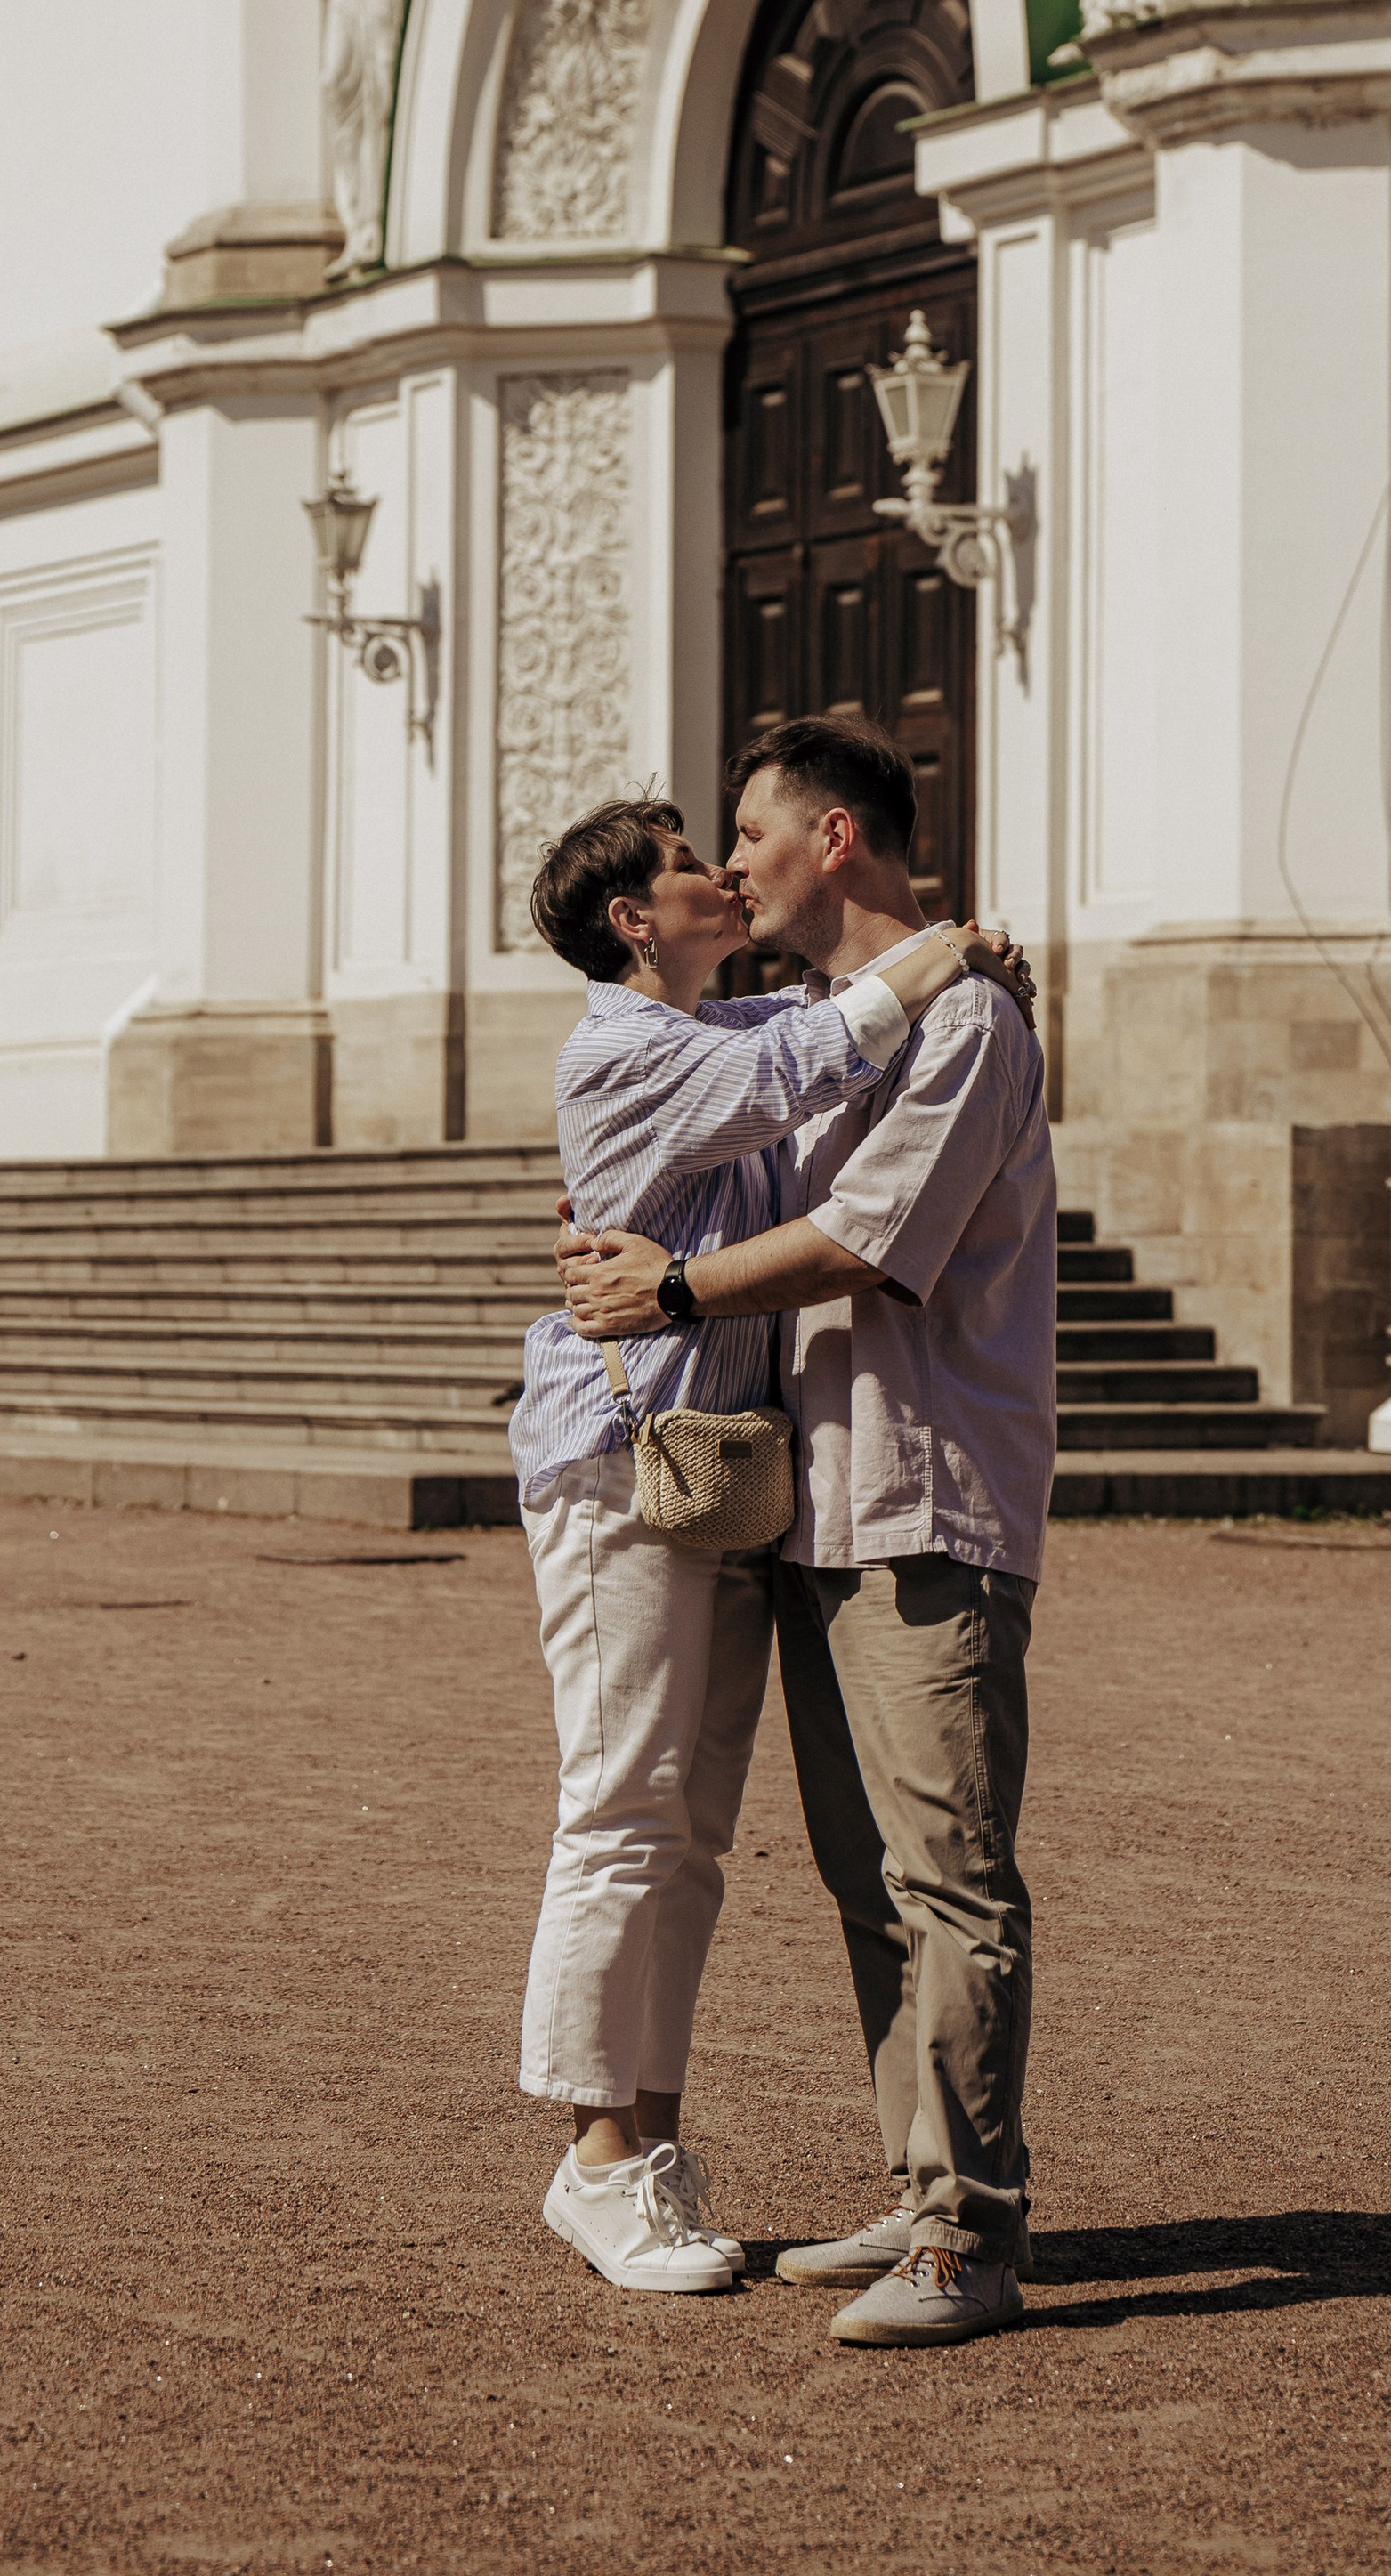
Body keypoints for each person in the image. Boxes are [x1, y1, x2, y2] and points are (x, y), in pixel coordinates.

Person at [562, 716, 1056, 2348]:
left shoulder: (966, 1020)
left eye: (752, 837)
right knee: (868, 1879)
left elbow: (868, 1233)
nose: (730, 865)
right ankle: (923, 2182)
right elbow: (767, 1061)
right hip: (815, 1503)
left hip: (924, 1494)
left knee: (950, 1874)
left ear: (833, 839)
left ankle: (968, 2234)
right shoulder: (809, 1020)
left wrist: (680, 1285)